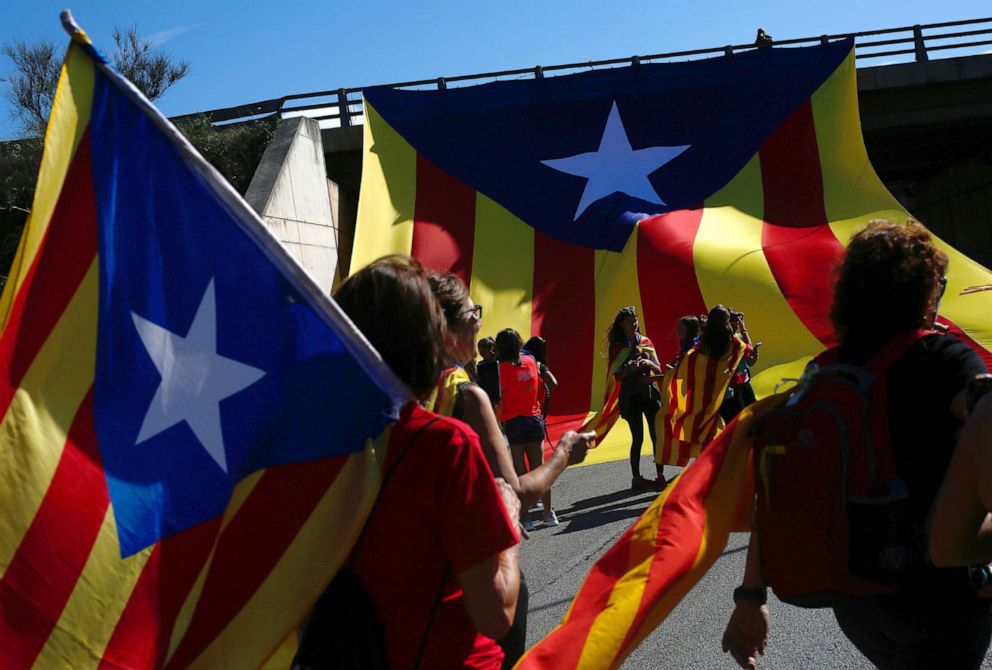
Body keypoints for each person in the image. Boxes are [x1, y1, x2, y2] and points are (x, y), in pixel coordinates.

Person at [723, 220, 991, 670]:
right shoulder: (943, 360)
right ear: (925, 290)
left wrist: (751, 596)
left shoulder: (825, 372)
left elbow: (784, 486)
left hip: (858, 599)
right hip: (938, 594)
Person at [315, 256, 521, 670]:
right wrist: (511, 523)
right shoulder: (445, 445)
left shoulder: (314, 443)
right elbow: (496, 613)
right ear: (427, 342)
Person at [427, 272, 594, 669]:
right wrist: (565, 453)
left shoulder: (398, 385)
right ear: (447, 328)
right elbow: (515, 495)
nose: (479, 323)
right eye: (473, 313)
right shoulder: (464, 394)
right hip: (469, 566)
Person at [496, 328, 561, 529]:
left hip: (513, 422)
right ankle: (549, 513)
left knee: (520, 471)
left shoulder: (501, 369)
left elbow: (499, 398)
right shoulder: (532, 361)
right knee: (540, 467)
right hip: (534, 418)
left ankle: (525, 517)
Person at [606, 306, 666, 490]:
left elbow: (658, 368)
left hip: (649, 394)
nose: (634, 324)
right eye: (629, 321)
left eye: (635, 320)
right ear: (622, 325)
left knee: (656, 436)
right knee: (637, 437)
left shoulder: (646, 341)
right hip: (631, 396)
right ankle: (636, 477)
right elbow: (617, 376)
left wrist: (647, 362)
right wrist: (629, 369)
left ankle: (660, 476)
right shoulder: (618, 346)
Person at [718, 309, 759, 424]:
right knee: (738, 418)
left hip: (743, 381)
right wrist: (743, 330)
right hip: (731, 386)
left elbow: (749, 360)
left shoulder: (738, 336)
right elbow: (748, 349)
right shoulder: (725, 339)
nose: (738, 323)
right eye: (735, 320)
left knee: (754, 412)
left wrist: (753, 358)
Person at [522, 335, 558, 420]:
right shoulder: (537, 364)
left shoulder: (512, 361)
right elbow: (553, 383)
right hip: (532, 412)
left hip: (512, 412)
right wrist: (540, 398)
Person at [476, 336, 501, 406]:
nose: (481, 354)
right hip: (487, 397)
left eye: (483, 352)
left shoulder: (498, 362)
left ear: (490, 349)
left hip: (497, 398)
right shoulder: (480, 364)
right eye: (480, 352)